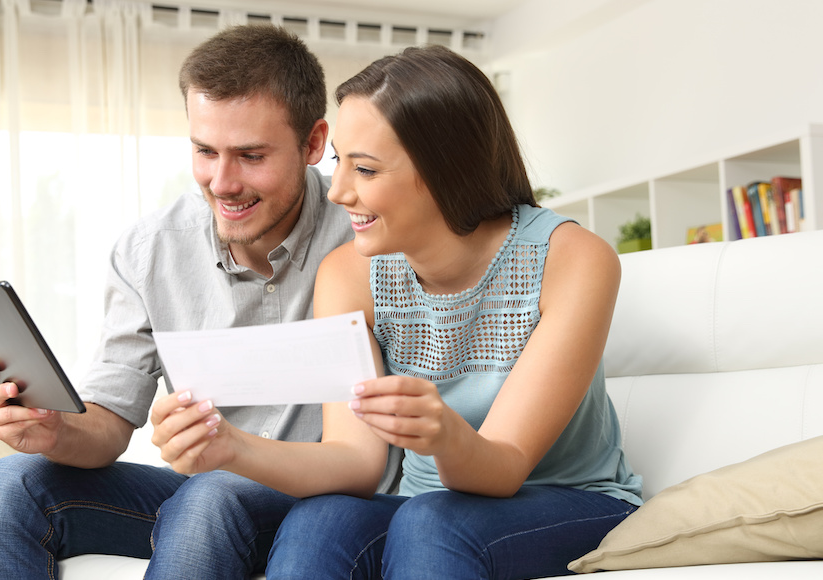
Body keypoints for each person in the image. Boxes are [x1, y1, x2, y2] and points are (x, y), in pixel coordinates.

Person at [152, 44, 643, 580]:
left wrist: (444, 435)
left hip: (570, 502)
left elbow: (504, 467)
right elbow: (357, 462)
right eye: (340, 162)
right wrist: (230, 445)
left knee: (435, 521)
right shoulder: (348, 274)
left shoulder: (572, 259)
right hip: (425, 511)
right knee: (323, 519)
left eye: (364, 169)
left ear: (445, 170)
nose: (337, 191)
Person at [0, 25, 398, 580]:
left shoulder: (368, 234)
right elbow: (110, 422)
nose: (223, 182)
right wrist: (53, 429)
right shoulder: (148, 252)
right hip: (208, 500)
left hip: (333, 501)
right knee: (4, 484)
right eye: (204, 151)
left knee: (209, 497)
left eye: (251, 156)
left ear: (314, 144)